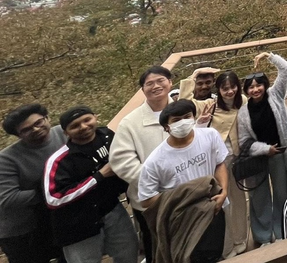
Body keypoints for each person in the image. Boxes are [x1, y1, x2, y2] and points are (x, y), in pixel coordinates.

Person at [43, 106, 139, 263]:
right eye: (75, 126)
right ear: (66, 132)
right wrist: (99, 176)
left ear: (96, 117)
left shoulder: (107, 136)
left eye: (87, 120)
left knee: (129, 253)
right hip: (77, 224)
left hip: (112, 209)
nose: (83, 127)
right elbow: (53, 198)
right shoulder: (60, 160)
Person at [138, 99, 229, 263]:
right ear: (167, 127)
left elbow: (219, 163)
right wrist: (182, 194)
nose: (183, 122)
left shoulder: (209, 136)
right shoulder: (155, 161)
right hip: (183, 219)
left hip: (213, 208)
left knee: (215, 254)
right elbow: (145, 199)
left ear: (194, 117)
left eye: (187, 116)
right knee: (188, 257)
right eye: (176, 120)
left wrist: (223, 192)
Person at [109, 65, 174, 263]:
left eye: (161, 80)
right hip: (150, 200)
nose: (156, 86)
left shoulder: (184, 110)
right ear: (142, 89)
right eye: (149, 83)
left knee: (188, 241)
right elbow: (121, 160)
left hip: (185, 193)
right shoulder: (130, 122)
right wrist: (153, 184)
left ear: (170, 82)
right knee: (157, 247)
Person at [181, 69, 249, 257]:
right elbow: (184, 102)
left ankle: (240, 240)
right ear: (218, 89)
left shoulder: (242, 101)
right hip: (214, 160)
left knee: (239, 201)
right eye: (225, 88)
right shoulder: (209, 105)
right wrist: (193, 75)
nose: (229, 91)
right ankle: (226, 246)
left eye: (233, 87)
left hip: (235, 157)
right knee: (221, 203)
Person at [238, 52, 287, 244]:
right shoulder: (243, 112)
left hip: (280, 154)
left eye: (258, 85)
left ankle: (281, 232)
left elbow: (286, 69)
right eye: (251, 87)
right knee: (259, 198)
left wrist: (268, 55)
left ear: (265, 85)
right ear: (246, 91)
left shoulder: (276, 95)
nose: (255, 90)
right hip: (258, 158)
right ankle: (263, 237)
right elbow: (244, 141)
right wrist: (264, 149)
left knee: (281, 194)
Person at [0, 103, 67, 263]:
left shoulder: (64, 133)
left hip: (56, 221)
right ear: (18, 135)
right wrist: (55, 192)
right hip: (21, 230)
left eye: (38, 123)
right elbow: (7, 199)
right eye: (26, 129)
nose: (36, 129)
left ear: (47, 118)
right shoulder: (7, 159)